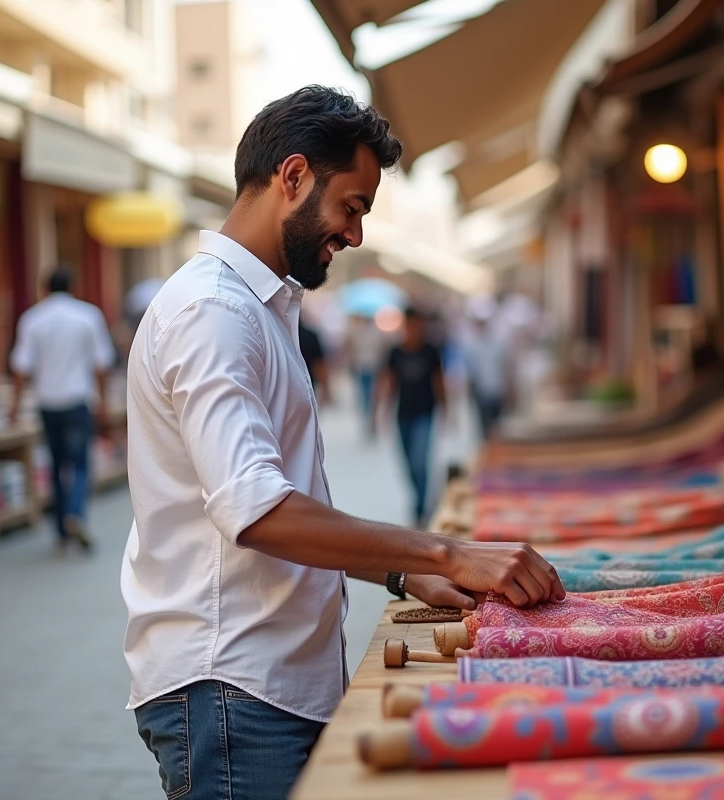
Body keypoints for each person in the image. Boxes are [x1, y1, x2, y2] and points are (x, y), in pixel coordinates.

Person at [120, 86, 564, 800]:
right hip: (232, 687)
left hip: (259, 684)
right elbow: (257, 511)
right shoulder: (214, 311)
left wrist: (398, 573)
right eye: (351, 208)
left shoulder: (260, 307)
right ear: (292, 177)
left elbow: (276, 501)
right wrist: (444, 551)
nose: (355, 235)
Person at [9, 269, 115, 552]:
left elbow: (21, 367)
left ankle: (60, 529)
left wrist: (15, 406)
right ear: (73, 286)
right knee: (80, 464)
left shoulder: (32, 318)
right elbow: (101, 363)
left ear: (44, 289)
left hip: (47, 402)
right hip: (78, 400)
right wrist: (103, 400)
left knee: (56, 465)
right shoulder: (88, 315)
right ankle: (74, 514)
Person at [377, 307, 446, 527]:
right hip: (403, 414)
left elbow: (439, 381)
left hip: (425, 414)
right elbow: (388, 382)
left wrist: (446, 408)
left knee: (420, 461)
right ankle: (419, 497)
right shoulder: (396, 352)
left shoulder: (431, 351)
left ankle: (420, 506)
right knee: (408, 462)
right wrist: (380, 411)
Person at [464, 313, 511, 439]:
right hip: (482, 393)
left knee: (499, 427)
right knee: (485, 429)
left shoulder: (498, 343)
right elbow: (471, 373)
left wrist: (509, 388)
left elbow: (504, 366)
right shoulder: (471, 345)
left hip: (497, 391)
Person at [347, 315, 384, 420]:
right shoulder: (362, 332)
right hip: (366, 366)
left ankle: (368, 411)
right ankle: (368, 411)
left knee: (367, 390)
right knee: (367, 390)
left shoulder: (362, 332)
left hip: (369, 366)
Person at [298, 317, 332, 405]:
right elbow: (319, 364)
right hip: (308, 385)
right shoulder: (311, 336)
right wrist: (325, 387)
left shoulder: (279, 337)